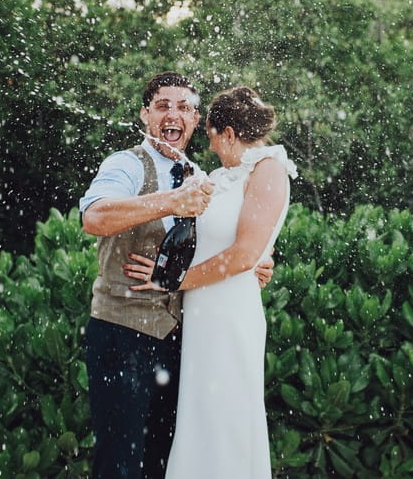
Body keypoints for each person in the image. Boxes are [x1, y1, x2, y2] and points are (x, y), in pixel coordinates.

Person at [79, 72, 274, 479]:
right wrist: (170, 200)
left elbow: (220, 244)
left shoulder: (201, 175)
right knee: (118, 464)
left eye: (184, 107)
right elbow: (94, 217)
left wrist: (251, 265)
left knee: (163, 464)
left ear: (195, 118)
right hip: (122, 333)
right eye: (163, 106)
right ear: (145, 114)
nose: (173, 115)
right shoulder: (126, 163)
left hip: (180, 339)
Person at [124, 86, 297, 478]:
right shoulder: (222, 175)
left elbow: (243, 254)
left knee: (226, 419)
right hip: (201, 316)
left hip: (229, 315)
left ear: (230, 133)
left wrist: (172, 282)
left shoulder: (269, 167)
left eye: (214, 136)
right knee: (199, 416)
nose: (212, 146)